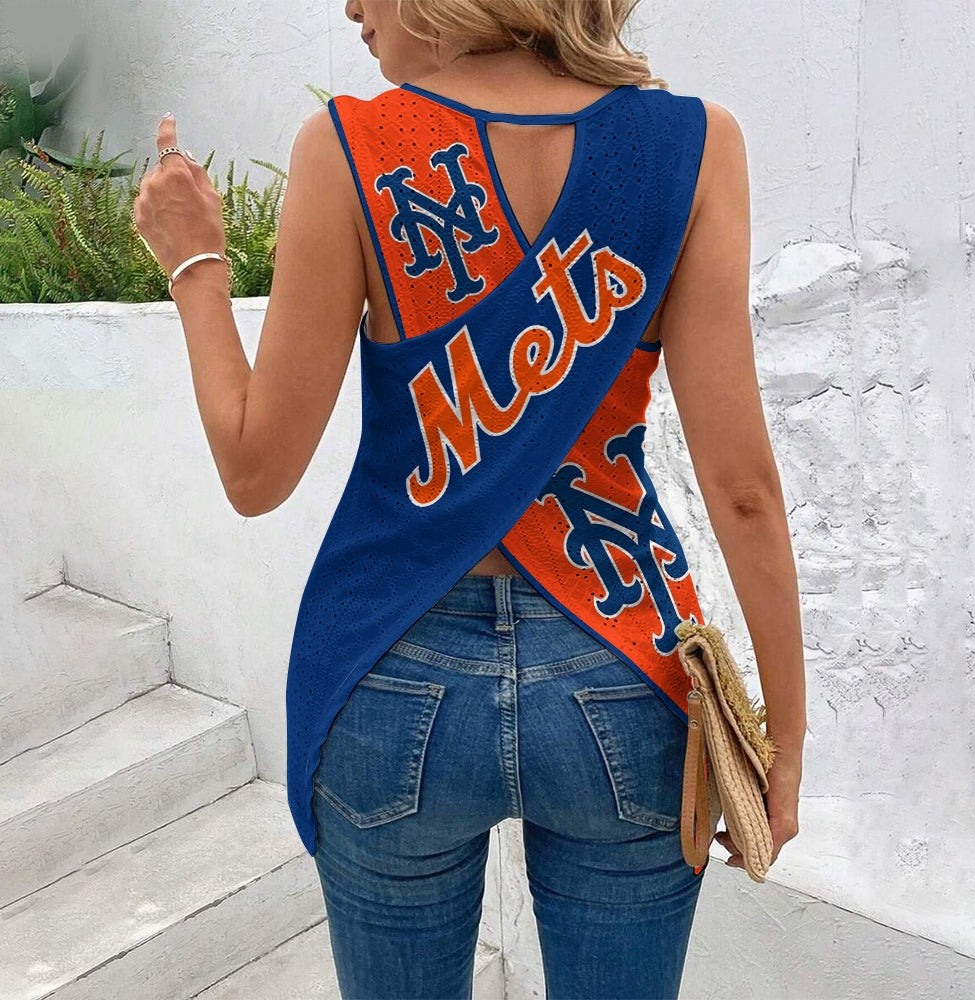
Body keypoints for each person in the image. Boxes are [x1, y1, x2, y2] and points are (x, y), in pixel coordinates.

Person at [138, 1, 805, 996]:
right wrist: (784, 734)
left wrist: (195, 261)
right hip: (620, 654)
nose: (351, 8)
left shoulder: (348, 149)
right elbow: (741, 489)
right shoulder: (695, 145)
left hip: (392, 657)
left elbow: (254, 469)